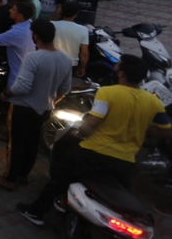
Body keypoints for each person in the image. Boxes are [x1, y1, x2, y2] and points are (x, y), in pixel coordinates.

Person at [19, 55, 172, 225]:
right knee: (122, 198)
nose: (115, 69)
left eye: (118, 67)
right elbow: (167, 132)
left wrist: (80, 133)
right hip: (126, 161)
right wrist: (148, 132)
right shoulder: (153, 102)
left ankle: (36, 212)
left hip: (94, 152)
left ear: (122, 74)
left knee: (59, 178)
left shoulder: (108, 92)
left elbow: (92, 122)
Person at [0, 19, 72, 192]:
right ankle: (23, 175)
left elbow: (22, 87)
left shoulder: (33, 57)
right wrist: (51, 101)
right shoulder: (65, 59)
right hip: (45, 109)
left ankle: (9, 178)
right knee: (32, 142)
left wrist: (6, 93)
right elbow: (64, 89)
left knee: (16, 142)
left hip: (23, 107)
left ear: (35, 36)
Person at [53, 1, 89, 77]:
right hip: (71, 64)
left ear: (61, 11)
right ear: (76, 14)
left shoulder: (52, 25)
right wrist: (82, 68)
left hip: (52, 62)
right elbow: (84, 53)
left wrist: (56, 15)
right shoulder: (83, 30)